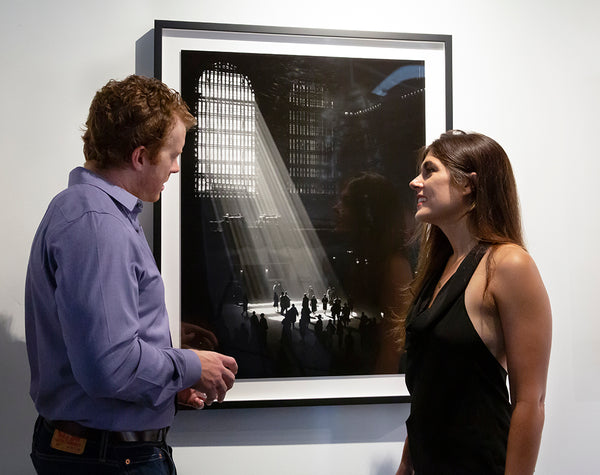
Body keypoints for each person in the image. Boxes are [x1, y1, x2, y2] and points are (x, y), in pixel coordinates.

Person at [25, 75, 238, 474]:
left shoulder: (87, 211)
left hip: (101, 453)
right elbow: (110, 367)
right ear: (140, 157)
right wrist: (191, 365)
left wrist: (168, 373)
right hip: (109, 460)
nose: (176, 168)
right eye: (172, 154)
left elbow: (101, 348)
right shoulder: (98, 224)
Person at [395, 130, 552, 474]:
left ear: (468, 184)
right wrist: (406, 465)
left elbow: (530, 401)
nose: (414, 182)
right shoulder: (440, 268)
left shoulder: (509, 265)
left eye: (429, 171)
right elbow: (428, 391)